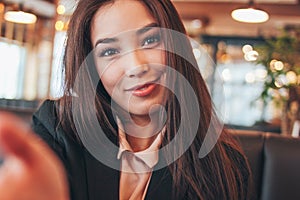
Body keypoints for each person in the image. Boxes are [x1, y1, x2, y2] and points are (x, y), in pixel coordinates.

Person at [0, 0, 252, 199]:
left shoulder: (224, 164)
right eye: (110, 51)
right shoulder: (58, 127)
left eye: (150, 40)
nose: (136, 66)